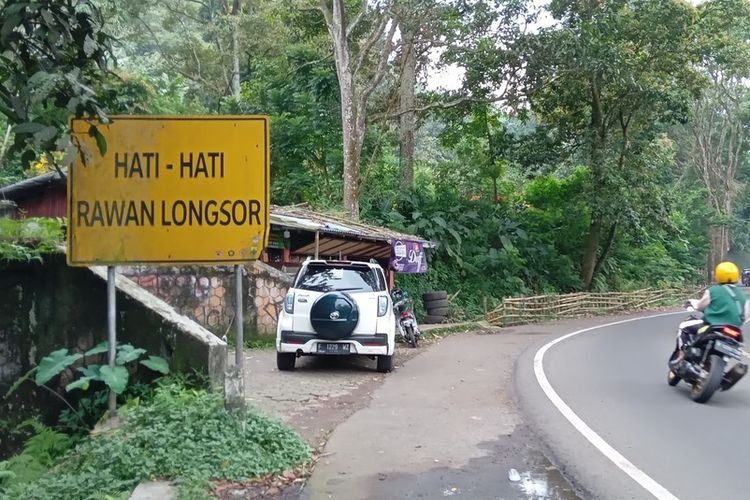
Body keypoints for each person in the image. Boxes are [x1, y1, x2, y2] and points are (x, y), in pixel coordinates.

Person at [672, 261, 750, 365]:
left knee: (683, 326)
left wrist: (694, 304)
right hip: (734, 331)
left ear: (718, 275)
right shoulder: (742, 296)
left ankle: (681, 356)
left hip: (712, 326)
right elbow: (745, 316)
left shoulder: (713, 291)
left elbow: (700, 306)